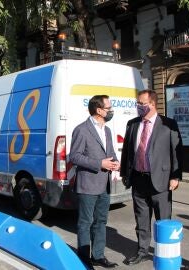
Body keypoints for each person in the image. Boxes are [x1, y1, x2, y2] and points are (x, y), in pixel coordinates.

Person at [120, 89, 183, 266]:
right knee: (141, 219)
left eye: (142, 103)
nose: (138, 106)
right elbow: (127, 151)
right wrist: (125, 173)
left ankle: (164, 252)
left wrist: (176, 176)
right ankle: (142, 250)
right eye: (137, 103)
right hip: (138, 180)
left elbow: (176, 152)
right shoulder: (132, 124)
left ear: (153, 104)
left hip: (161, 180)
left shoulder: (168, 124)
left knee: (163, 219)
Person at [69, 95, 120, 270]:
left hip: (104, 185)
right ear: (99, 110)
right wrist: (100, 164)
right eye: (108, 107)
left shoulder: (107, 130)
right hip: (88, 185)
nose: (111, 110)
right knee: (85, 222)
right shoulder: (81, 130)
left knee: (101, 222)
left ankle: (98, 256)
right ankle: (83, 259)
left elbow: (111, 152)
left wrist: (115, 162)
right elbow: (74, 156)